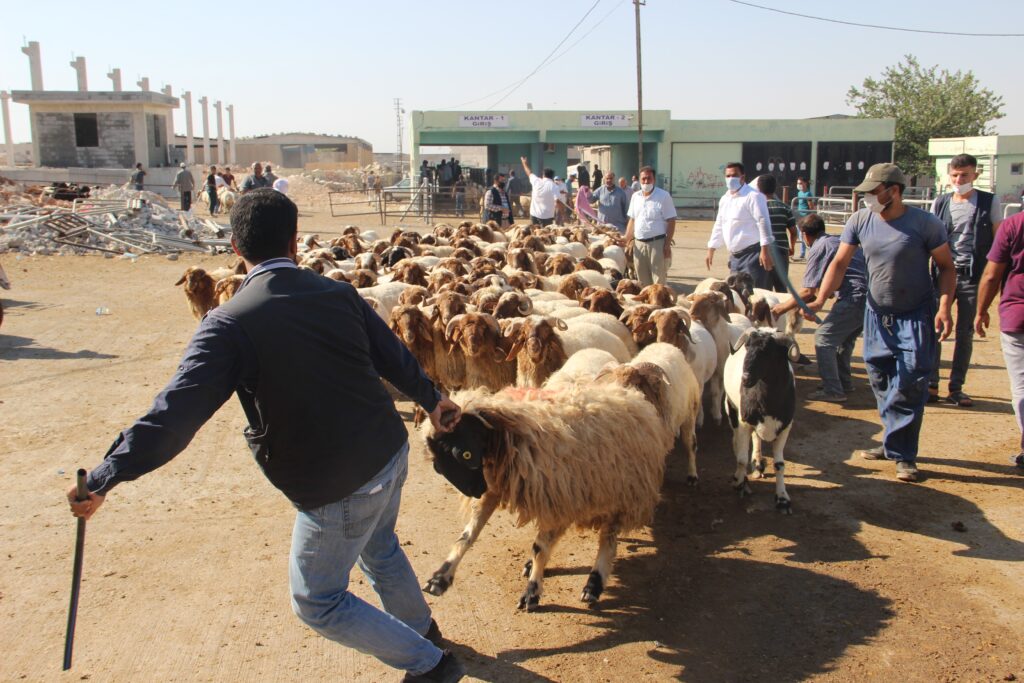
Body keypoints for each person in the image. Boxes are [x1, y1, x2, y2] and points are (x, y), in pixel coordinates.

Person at [65, 189, 467, 683]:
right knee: (379, 546)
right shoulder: (337, 294)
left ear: (235, 247)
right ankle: (422, 633)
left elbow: (173, 418)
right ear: (295, 242)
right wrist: (432, 399)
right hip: (387, 452)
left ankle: (430, 665)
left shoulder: (228, 324)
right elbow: (394, 356)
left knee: (317, 600)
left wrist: (107, 474)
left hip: (337, 484)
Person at [806, 163, 955, 483]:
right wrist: (820, 298)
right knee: (881, 378)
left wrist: (944, 306)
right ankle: (892, 442)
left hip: (915, 315)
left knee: (911, 382)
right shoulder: (860, 220)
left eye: (872, 193)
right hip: (876, 315)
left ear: (894, 190)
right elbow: (840, 262)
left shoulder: (925, 224)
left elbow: (946, 268)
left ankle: (904, 455)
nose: (866, 199)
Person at [928, 153, 1002, 408]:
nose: (959, 180)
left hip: (973, 276)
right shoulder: (940, 203)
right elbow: (930, 238)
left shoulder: (989, 203)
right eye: (955, 175)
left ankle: (956, 387)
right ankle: (931, 383)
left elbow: (998, 241)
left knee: (964, 332)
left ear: (975, 174)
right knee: (936, 328)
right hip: (942, 273)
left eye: (965, 175)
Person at [773, 213, 868, 402]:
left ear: (805, 235)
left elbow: (809, 291)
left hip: (854, 297)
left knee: (823, 338)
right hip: (869, 298)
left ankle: (833, 390)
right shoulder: (837, 241)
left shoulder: (819, 247)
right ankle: (843, 382)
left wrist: (780, 309)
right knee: (842, 341)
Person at [974, 210, 1024, 473]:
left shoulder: (1013, 225)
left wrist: (981, 310)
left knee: (1022, 388)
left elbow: (992, 275)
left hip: (1018, 316)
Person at [705, 162, 775, 289]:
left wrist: (765, 250)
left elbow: (763, 221)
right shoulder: (725, 199)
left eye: (734, 175)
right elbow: (720, 224)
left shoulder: (753, 196)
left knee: (755, 294)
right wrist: (711, 248)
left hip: (752, 255)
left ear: (742, 177)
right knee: (737, 295)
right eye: (728, 176)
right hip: (734, 257)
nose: (731, 179)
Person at [625, 166, 677, 286]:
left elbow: (671, 221)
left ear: (654, 180)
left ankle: (661, 305)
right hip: (639, 245)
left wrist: (667, 244)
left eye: (649, 178)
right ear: (639, 180)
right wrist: (626, 239)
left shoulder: (663, 196)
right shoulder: (635, 197)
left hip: (657, 244)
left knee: (659, 282)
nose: (646, 182)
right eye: (643, 179)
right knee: (642, 282)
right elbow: (632, 220)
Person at [756, 175, 798, 293]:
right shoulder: (784, 208)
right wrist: (792, 247)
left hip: (763, 252)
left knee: (765, 289)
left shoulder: (757, 207)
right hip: (782, 251)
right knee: (781, 287)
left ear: (758, 189)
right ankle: (783, 310)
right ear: (775, 189)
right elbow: (794, 232)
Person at [520, 156, 557, 226]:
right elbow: (557, 201)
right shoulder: (554, 186)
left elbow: (529, 172)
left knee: (534, 234)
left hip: (534, 215)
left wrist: (524, 163)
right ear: (552, 176)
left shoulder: (536, 181)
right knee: (546, 235)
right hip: (548, 216)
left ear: (543, 175)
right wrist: (563, 213)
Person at [794, 177, 814, 260]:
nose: (799, 185)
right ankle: (802, 253)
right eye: (798, 183)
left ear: (805, 183)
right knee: (800, 235)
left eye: (801, 183)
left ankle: (808, 252)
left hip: (805, 216)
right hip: (800, 216)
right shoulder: (799, 193)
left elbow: (811, 206)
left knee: (804, 235)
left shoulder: (808, 194)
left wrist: (810, 216)